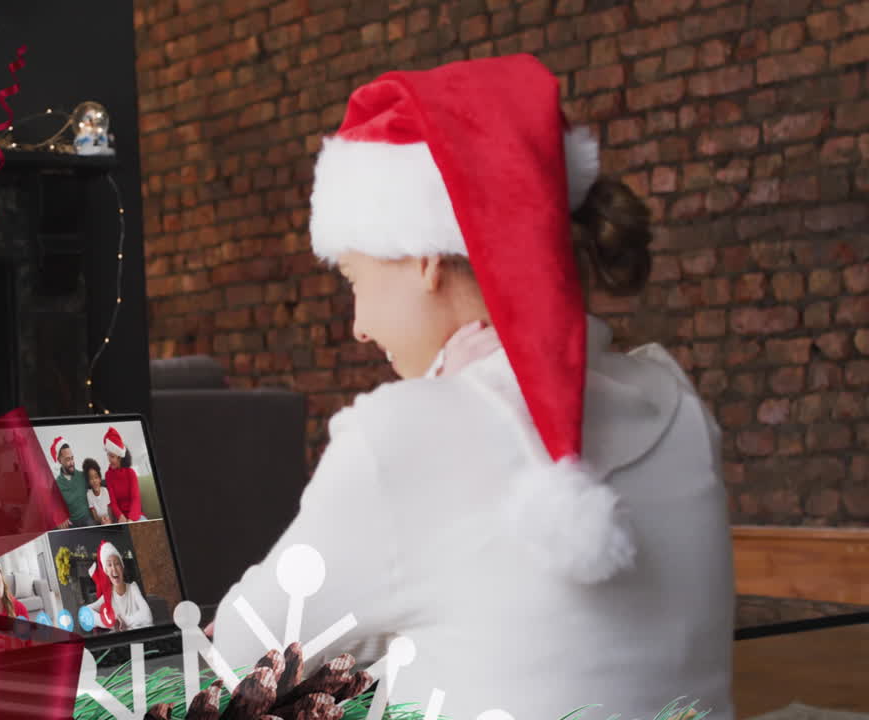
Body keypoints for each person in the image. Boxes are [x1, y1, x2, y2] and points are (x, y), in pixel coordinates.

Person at [209, 55, 734, 720]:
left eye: (354, 279)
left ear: (424, 257)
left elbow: (236, 660)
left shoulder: (402, 435)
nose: (359, 326)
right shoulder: (679, 402)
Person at [85, 540, 153, 632]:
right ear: (106, 572)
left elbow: (147, 616)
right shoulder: (108, 596)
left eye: (117, 563)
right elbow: (85, 612)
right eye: (109, 565)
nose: (114, 568)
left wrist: (124, 622)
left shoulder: (133, 588)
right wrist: (112, 622)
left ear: (122, 567)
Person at [49, 436, 94, 528]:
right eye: (67, 459)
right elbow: (54, 506)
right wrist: (59, 516)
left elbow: (97, 485)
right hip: (72, 524)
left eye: (72, 458)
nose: (72, 462)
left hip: (88, 521)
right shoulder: (56, 485)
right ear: (59, 460)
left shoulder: (82, 476)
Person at [102, 427, 144, 522]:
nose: (109, 459)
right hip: (121, 518)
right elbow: (113, 502)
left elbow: (135, 499)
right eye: (108, 455)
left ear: (120, 457)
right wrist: (120, 516)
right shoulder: (108, 475)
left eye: (112, 456)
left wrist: (131, 519)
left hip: (135, 516)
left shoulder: (131, 473)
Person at [83, 458, 113, 525]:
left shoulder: (105, 491)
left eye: (96, 477)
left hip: (109, 519)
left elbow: (110, 509)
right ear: (88, 481)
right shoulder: (89, 494)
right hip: (99, 521)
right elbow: (95, 516)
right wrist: (101, 520)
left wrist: (110, 520)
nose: (94, 481)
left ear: (100, 479)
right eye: (91, 478)